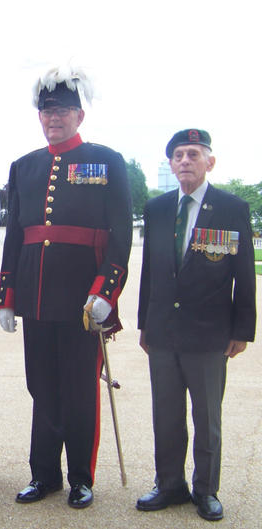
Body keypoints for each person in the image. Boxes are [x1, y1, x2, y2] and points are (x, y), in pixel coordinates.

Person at [0, 65, 132, 508]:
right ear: (39, 117)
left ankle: (81, 478)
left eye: (63, 110)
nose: (53, 117)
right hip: (35, 297)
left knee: (79, 388)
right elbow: (16, 233)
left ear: (79, 115)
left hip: (81, 299)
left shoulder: (107, 160)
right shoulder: (24, 166)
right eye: (47, 110)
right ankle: (44, 476)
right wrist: (7, 295)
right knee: (42, 387)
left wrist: (105, 292)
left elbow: (119, 233)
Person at [136, 129, 256, 521]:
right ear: (171, 165)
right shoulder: (156, 209)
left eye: (193, 154)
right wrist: (144, 324)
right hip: (164, 332)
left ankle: (206, 490)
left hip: (209, 333)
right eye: (178, 156)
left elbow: (243, 274)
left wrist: (242, 330)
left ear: (210, 161)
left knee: (207, 418)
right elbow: (150, 273)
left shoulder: (231, 207)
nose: (184, 161)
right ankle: (169, 484)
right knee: (166, 416)